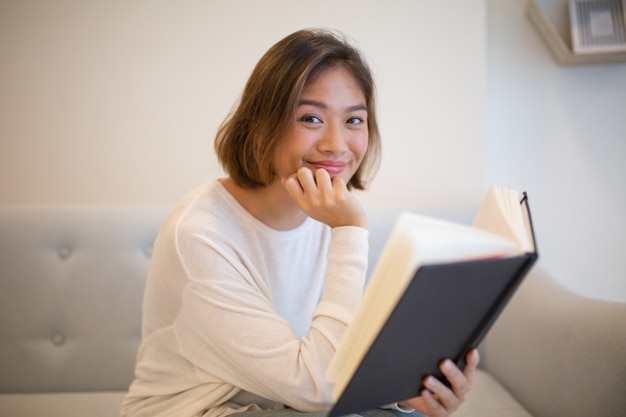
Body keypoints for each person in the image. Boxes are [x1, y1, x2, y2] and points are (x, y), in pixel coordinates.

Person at [120, 28, 479, 417]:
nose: (336, 144)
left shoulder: (327, 213)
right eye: (311, 118)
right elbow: (317, 385)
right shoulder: (202, 233)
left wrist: (402, 391)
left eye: (354, 120)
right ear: (261, 124)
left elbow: (332, 359)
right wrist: (350, 232)